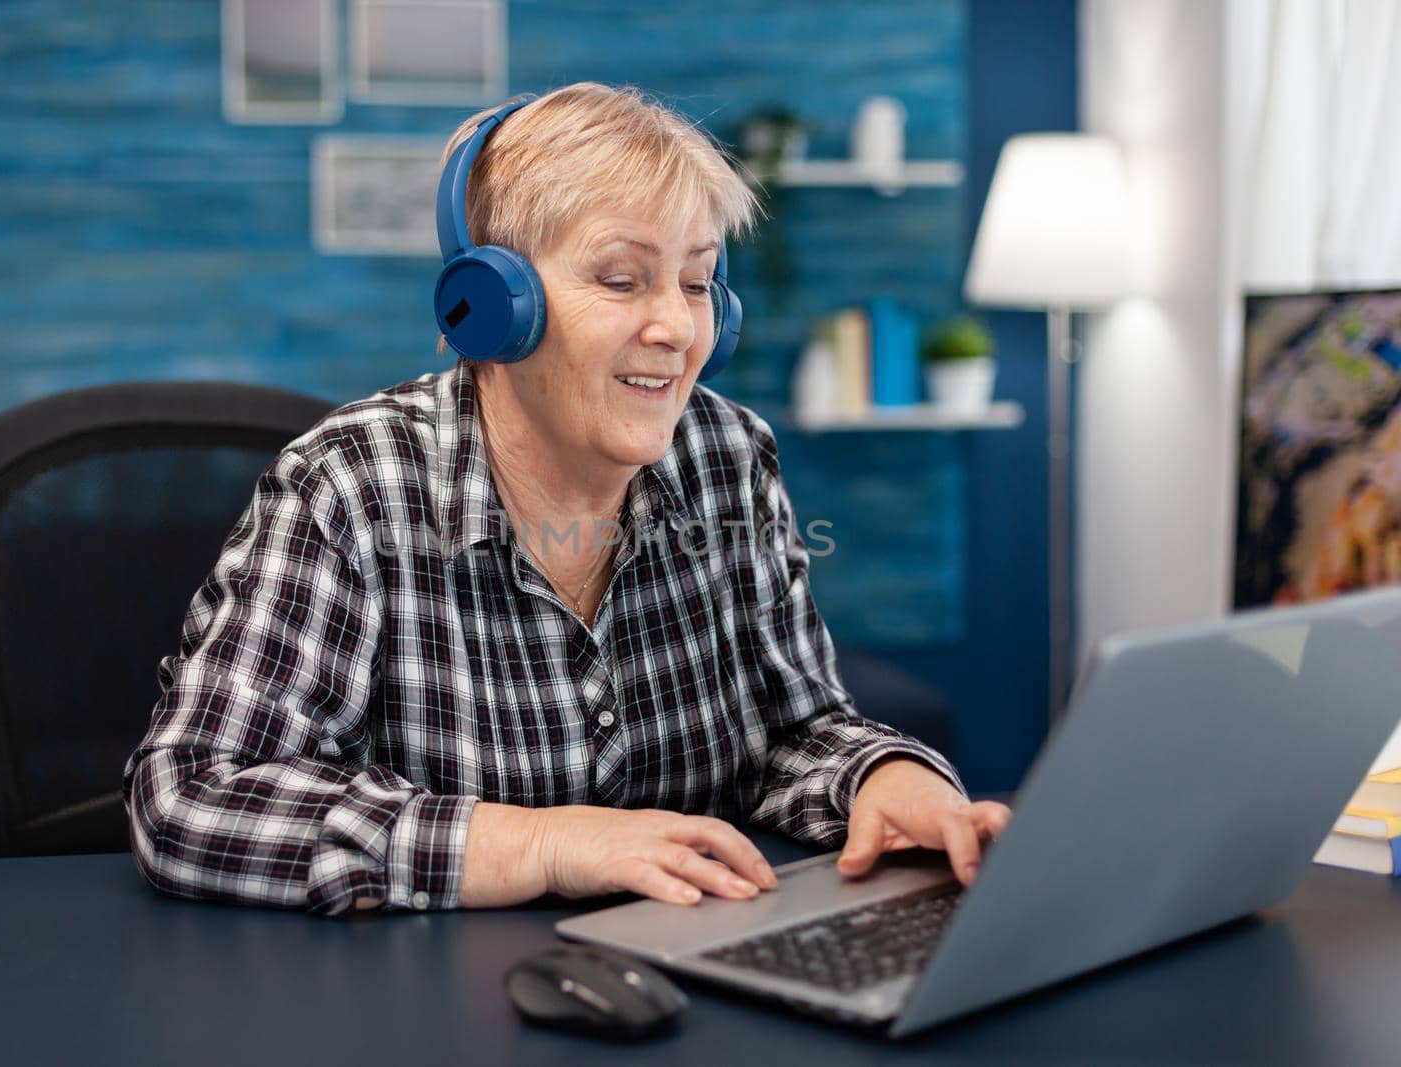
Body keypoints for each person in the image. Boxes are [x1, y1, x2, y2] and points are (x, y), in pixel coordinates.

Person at [122, 82, 1010, 917]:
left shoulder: (728, 457)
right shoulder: (351, 484)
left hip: (686, 972)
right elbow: (191, 794)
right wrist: (537, 844)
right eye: (622, 279)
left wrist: (885, 780)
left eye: (698, 282)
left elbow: (791, 731)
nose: (675, 325)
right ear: (492, 306)